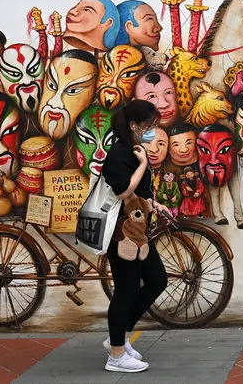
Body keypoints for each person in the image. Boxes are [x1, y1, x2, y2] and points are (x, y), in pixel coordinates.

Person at [101, 100, 170, 373]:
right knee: (126, 291)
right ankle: (116, 356)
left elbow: (140, 194)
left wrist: (155, 204)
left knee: (157, 280)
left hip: (139, 232)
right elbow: (122, 191)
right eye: (149, 126)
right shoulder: (119, 154)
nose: (152, 131)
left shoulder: (133, 149)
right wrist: (142, 164)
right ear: (133, 126)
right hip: (122, 235)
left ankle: (118, 336)